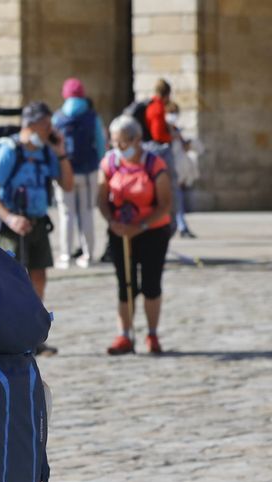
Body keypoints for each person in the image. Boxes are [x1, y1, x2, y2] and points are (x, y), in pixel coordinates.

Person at [0, 101, 74, 356]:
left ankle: (33, 335)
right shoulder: (9, 151)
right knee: (11, 282)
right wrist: (10, 218)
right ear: (31, 123)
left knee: (38, 279)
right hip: (13, 227)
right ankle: (10, 336)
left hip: (37, 223)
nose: (50, 130)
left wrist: (62, 152)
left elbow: (68, 186)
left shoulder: (46, 152)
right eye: (46, 125)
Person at [97, 116, 174, 356]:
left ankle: (152, 333)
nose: (119, 148)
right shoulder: (109, 163)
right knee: (125, 285)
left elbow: (165, 204)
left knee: (151, 284)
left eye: (123, 143)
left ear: (137, 140)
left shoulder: (154, 164)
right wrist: (112, 222)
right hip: (120, 231)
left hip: (152, 231)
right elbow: (101, 198)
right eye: (115, 142)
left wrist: (140, 226)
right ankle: (125, 335)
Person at [52, 77, 106, 268]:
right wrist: (99, 163)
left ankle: (66, 255)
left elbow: (53, 145)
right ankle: (88, 255)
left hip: (65, 171)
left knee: (66, 214)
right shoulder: (92, 116)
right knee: (87, 213)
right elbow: (100, 143)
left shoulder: (58, 117)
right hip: (88, 171)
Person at [166, 101, 199, 238]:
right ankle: (178, 226)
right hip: (167, 168)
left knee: (177, 199)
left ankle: (181, 226)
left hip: (176, 169)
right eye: (171, 113)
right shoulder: (164, 129)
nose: (174, 116)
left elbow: (182, 148)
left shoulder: (175, 130)